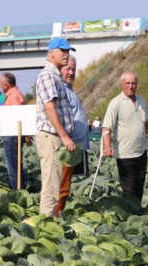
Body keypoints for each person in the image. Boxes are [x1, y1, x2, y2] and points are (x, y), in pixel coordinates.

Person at [34, 37, 76, 217]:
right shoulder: (47, 76)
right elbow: (49, 108)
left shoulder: (56, 76)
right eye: (63, 51)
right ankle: (45, 228)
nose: (66, 54)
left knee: (55, 186)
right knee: (51, 188)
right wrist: (65, 136)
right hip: (51, 138)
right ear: (51, 53)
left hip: (56, 138)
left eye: (68, 51)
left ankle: (50, 224)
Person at [101, 71, 148, 202]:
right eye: (127, 83)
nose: (131, 86)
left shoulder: (141, 100)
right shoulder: (116, 102)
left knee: (140, 185)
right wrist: (107, 147)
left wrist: (145, 135)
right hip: (125, 154)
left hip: (141, 152)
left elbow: (147, 120)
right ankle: (130, 215)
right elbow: (106, 128)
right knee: (129, 188)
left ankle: (137, 211)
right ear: (122, 85)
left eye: (134, 83)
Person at [56, 54, 89, 216]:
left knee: (66, 185)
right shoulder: (61, 89)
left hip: (75, 146)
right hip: (67, 146)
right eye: (67, 68)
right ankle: (56, 214)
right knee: (61, 185)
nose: (71, 72)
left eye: (73, 69)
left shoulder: (70, 89)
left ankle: (60, 211)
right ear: (60, 69)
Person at [0, 72, 27, 189]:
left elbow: (18, 116)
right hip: (16, 134)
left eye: (1, 84)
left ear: (6, 85)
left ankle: (17, 191)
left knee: (13, 167)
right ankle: (20, 188)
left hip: (12, 135)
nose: (0, 86)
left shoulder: (13, 96)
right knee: (16, 165)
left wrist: (25, 134)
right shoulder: (18, 93)